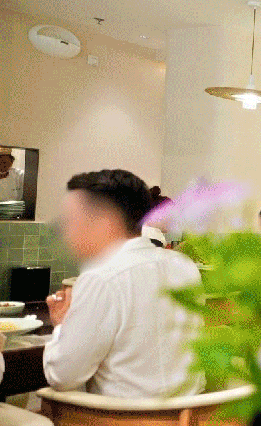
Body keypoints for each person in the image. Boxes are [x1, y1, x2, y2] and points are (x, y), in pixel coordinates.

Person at [42, 169, 204, 398]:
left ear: (105, 221)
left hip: (123, 419)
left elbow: (62, 376)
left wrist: (61, 326)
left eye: (74, 220)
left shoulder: (101, 277)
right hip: (191, 414)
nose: (68, 233)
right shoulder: (184, 266)